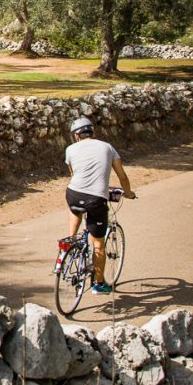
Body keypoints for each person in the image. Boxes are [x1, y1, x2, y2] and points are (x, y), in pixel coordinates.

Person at [65, 116, 137, 294]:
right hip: (96, 199)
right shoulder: (107, 147)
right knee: (98, 244)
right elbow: (122, 176)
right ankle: (98, 284)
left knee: (76, 209)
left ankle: (71, 241)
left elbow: (74, 174)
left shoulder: (70, 149)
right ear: (92, 132)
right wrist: (128, 193)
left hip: (73, 193)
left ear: (76, 136)